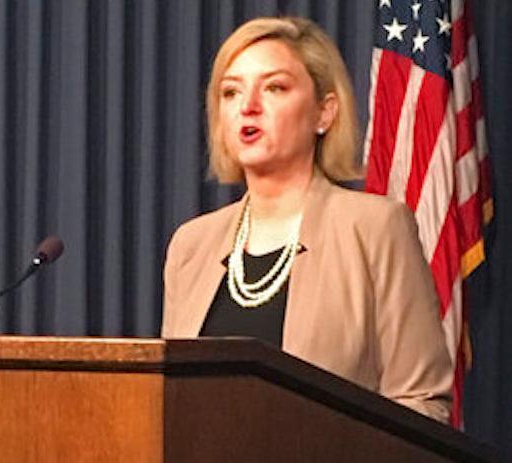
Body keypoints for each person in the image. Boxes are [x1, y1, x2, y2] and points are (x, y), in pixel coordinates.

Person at [161, 17, 452, 423]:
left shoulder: (375, 228)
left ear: (324, 113)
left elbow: (422, 403)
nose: (248, 106)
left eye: (275, 87)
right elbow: (172, 407)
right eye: (230, 92)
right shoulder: (191, 245)